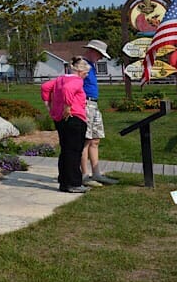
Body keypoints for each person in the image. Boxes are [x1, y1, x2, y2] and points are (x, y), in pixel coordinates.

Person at [41, 57, 90, 193]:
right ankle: (73, 183)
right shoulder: (76, 80)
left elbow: (45, 87)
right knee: (74, 151)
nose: (86, 77)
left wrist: (48, 105)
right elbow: (68, 90)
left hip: (60, 119)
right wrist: (68, 106)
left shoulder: (60, 79)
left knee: (65, 151)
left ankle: (64, 181)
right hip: (74, 117)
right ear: (81, 72)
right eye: (86, 74)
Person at [79, 39, 119, 186]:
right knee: (86, 140)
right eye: (100, 54)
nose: (101, 58)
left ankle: (96, 173)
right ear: (92, 51)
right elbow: (74, 84)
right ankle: (84, 174)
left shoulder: (91, 66)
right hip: (85, 104)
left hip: (93, 104)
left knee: (95, 139)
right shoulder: (81, 64)